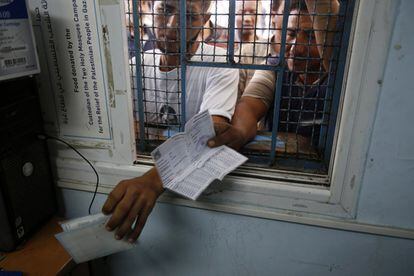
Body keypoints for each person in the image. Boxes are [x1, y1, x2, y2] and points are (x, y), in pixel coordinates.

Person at [102, 0, 239, 242]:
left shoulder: (220, 65)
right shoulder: (136, 67)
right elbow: (118, 129)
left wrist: (154, 180)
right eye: (165, 11)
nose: (173, 25)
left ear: (205, 21)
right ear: (150, 11)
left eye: (188, 16)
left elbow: (211, 134)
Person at [208, 0, 340, 149]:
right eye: (291, 34)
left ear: (326, 41)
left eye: (311, 37)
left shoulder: (339, 79)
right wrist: (238, 132)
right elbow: (249, 106)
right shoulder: (273, 67)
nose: (296, 48)